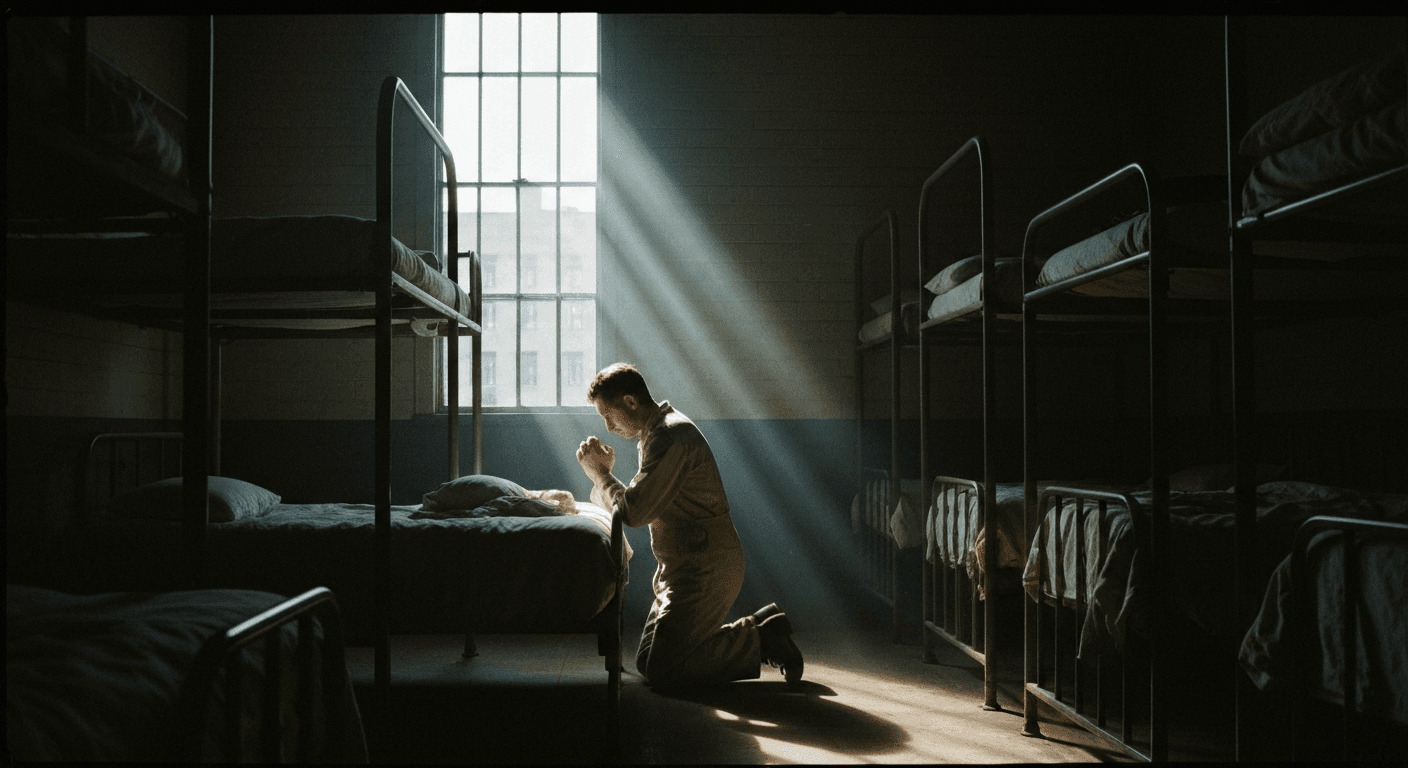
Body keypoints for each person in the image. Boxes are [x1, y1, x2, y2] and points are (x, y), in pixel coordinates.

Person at [575, 362, 804, 689]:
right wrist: (605, 475)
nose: (609, 428)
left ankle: (761, 637)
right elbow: (633, 505)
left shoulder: (670, 435)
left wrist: (601, 474)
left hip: (706, 567)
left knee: (665, 671)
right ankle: (761, 627)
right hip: (682, 568)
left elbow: (634, 513)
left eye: (608, 415)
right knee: (647, 662)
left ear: (630, 401)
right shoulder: (654, 435)